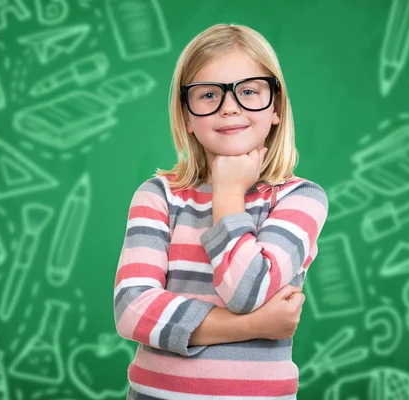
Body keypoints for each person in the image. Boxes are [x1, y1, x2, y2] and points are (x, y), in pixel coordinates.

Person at [113, 23, 328, 400]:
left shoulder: (299, 199)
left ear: (275, 106)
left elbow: (248, 290)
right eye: (209, 94)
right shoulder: (159, 196)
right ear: (187, 116)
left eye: (248, 91)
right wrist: (252, 326)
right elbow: (133, 311)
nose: (230, 107)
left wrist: (227, 194)